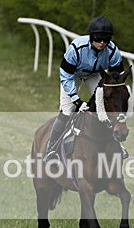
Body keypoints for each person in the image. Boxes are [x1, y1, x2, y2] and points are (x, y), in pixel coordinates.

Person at [44, 16, 125, 161]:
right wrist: (76, 100)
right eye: (98, 38)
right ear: (91, 36)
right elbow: (65, 75)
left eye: (105, 40)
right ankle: (51, 148)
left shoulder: (113, 51)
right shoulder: (76, 48)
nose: (101, 43)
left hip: (94, 75)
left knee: (106, 107)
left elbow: (116, 77)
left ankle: (116, 143)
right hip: (72, 75)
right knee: (68, 110)